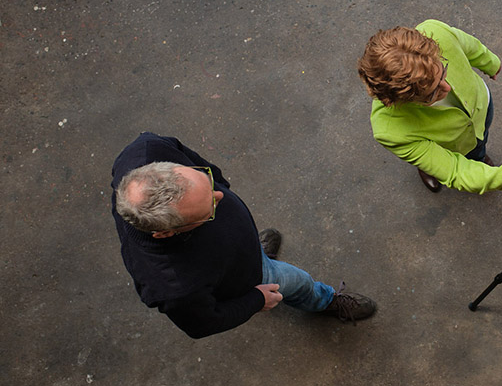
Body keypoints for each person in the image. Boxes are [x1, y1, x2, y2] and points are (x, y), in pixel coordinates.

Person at [111, 132, 375, 339]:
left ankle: (257, 252)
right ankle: (324, 301)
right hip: (248, 277)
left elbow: (188, 156)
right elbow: (203, 324)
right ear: (166, 232)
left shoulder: (144, 152)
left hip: (236, 252)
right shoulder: (174, 286)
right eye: (209, 210)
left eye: (208, 184)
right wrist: (256, 299)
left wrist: (216, 179)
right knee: (299, 281)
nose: (220, 197)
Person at [357, 19, 502, 194]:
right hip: (452, 143)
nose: (448, 88)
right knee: (454, 158)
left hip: (482, 105)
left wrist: (490, 62)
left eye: (443, 71)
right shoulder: (390, 130)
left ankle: (477, 156)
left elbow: (467, 45)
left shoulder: (434, 31)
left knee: (480, 142)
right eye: (432, 93)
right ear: (398, 102)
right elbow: (455, 171)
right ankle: (429, 166)